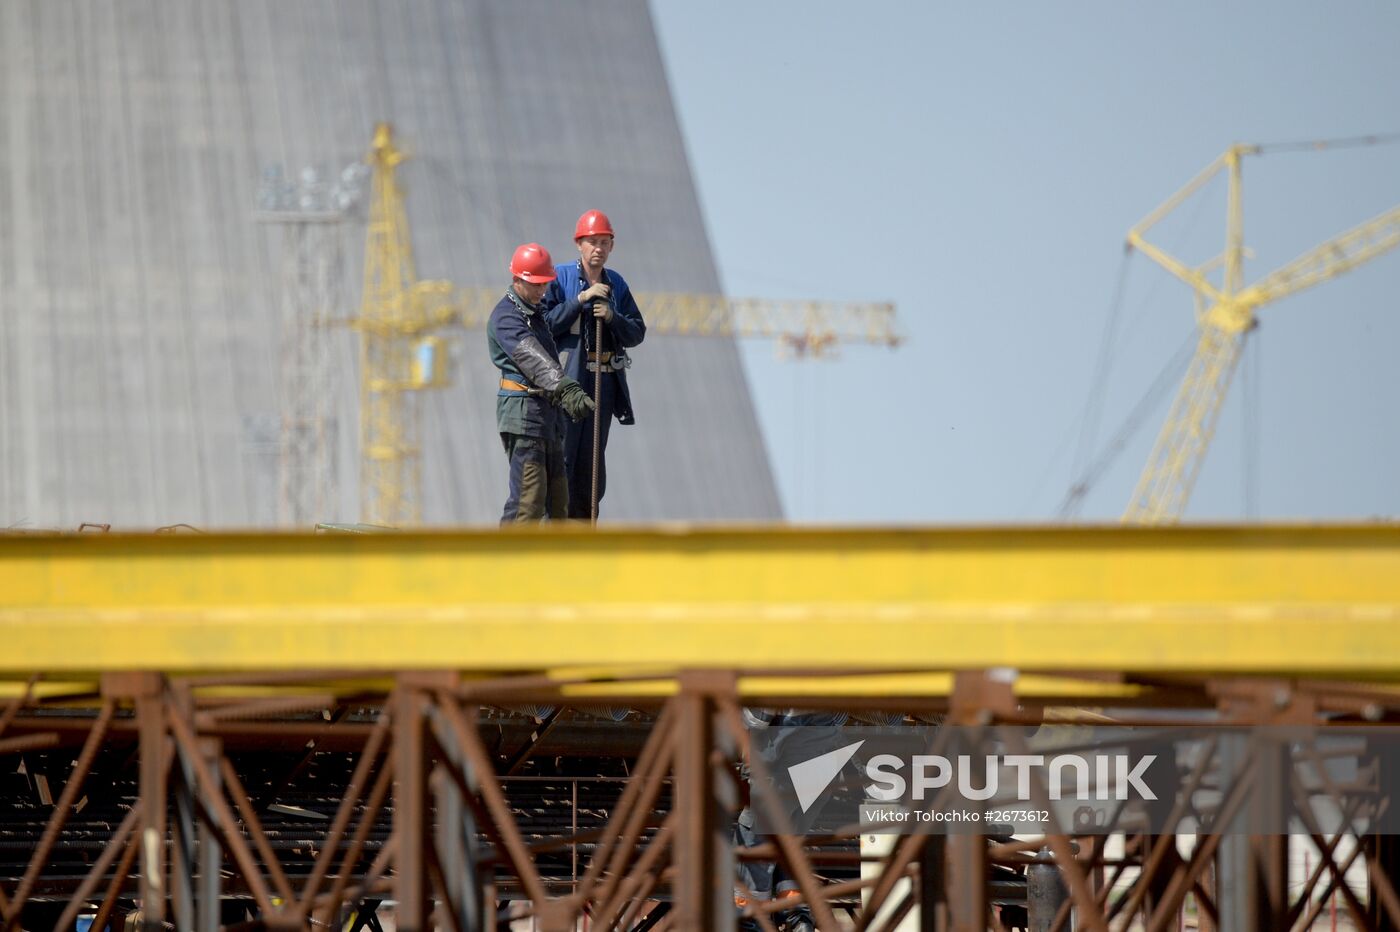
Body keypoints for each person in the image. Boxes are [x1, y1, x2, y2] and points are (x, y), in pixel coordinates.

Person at [541, 210, 646, 519]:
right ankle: (554, 532)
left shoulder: (617, 284)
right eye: (592, 242)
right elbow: (544, 324)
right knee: (564, 460)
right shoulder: (560, 278)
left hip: (603, 384)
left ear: (612, 246)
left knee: (591, 466)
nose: (598, 248)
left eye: (604, 242)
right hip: (569, 385)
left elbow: (637, 331)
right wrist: (581, 300)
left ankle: (584, 532)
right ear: (579, 244)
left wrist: (613, 317)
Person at [487, 243, 595, 522]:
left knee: (558, 504)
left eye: (545, 284)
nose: (542, 291)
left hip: (548, 418)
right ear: (517, 279)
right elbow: (534, 360)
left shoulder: (534, 315)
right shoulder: (507, 316)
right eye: (535, 284)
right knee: (528, 500)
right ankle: (508, 564)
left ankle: (551, 564)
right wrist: (567, 389)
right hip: (524, 419)